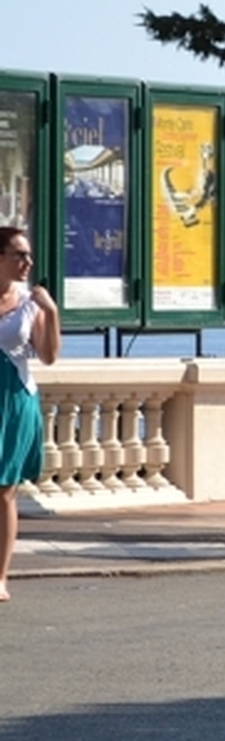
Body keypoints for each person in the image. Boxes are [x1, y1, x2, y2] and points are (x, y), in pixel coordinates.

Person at [0, 225, 63, 602]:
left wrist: (51, 311)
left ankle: (1, 575)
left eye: (28, 256)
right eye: (19, 255)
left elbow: (50, 355)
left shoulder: (30, 302)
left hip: (14, 400)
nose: (27, 262)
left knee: (4, 490)